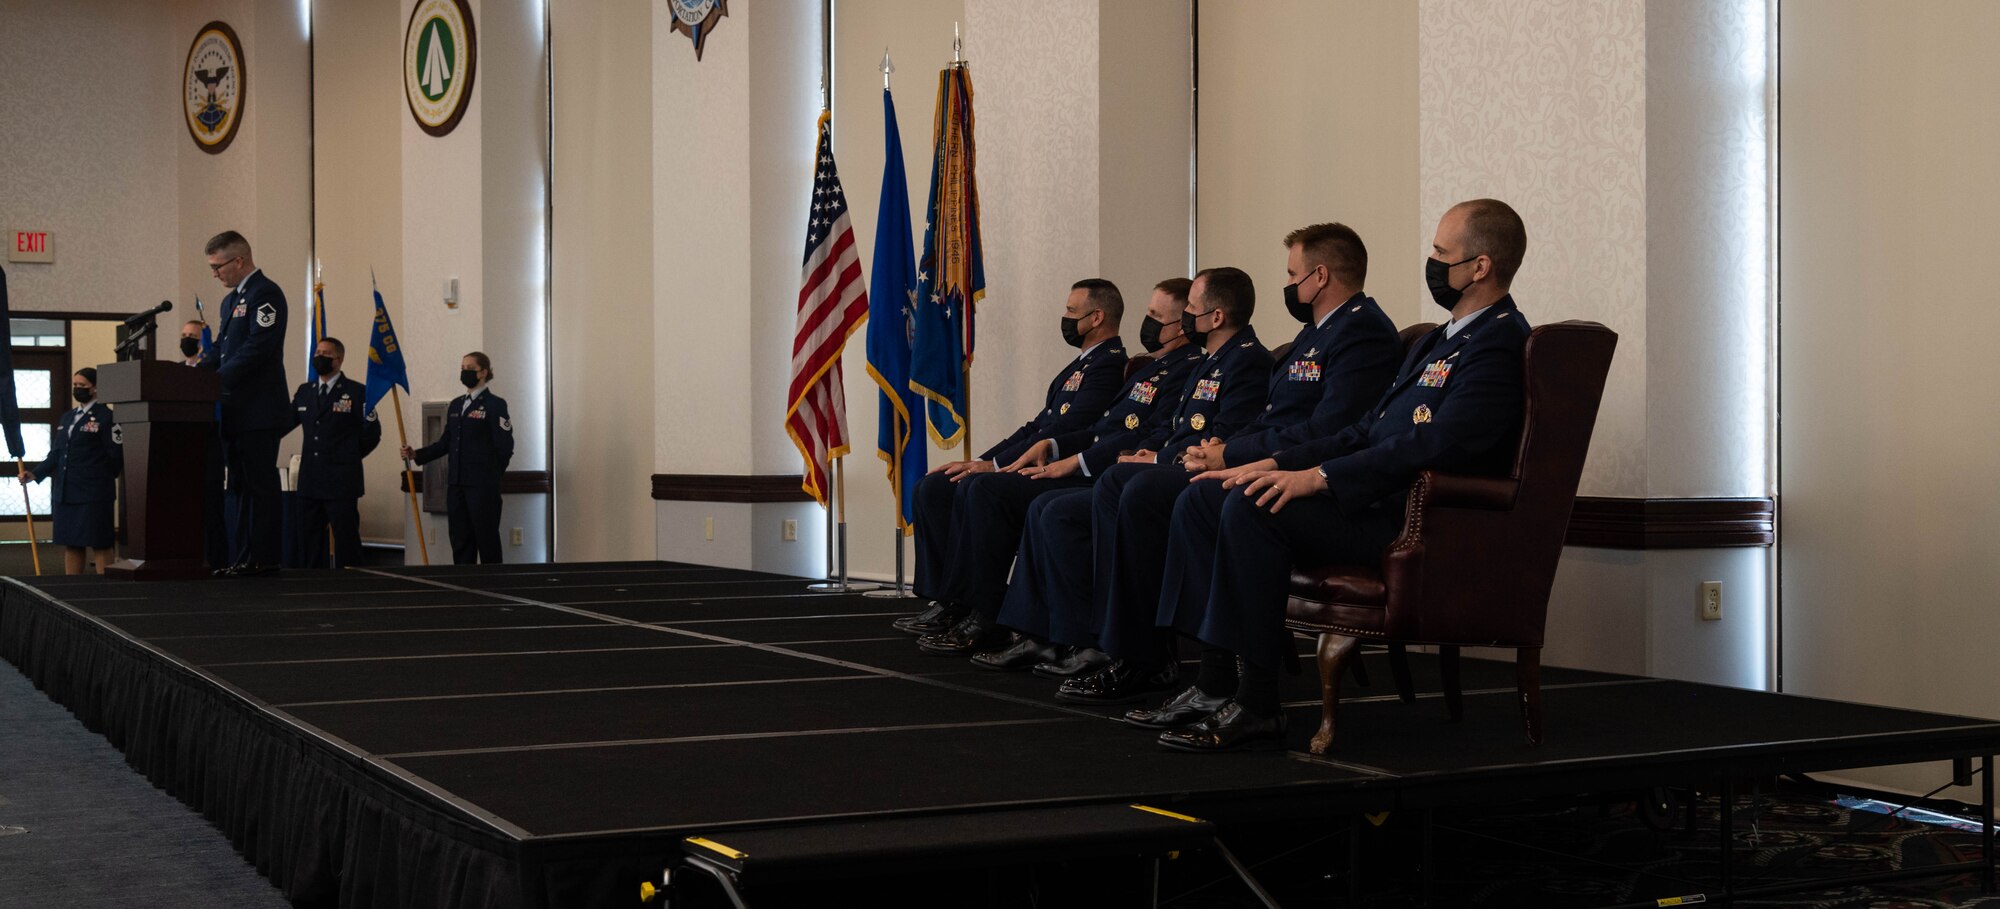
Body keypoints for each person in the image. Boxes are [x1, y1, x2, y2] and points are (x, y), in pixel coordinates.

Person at [1148, 199, 1535, 752]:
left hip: (1407, 515)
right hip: (1367, 496)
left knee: (1253, 507)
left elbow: (1440, 443)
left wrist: (1320, 478)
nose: (1431, 262)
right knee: (1210, 496)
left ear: (1480, 266)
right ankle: (1212, 686)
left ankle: (1257, 703)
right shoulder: (1435, 340)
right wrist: (1267, 463)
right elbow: (1365, 428)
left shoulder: (1500, 341)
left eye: (1441, 254)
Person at [1060, 225, 1404, 703]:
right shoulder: (1315, 333)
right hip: (1268, 461)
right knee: (1129, 484)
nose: (1287, 285)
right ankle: (1139, 652)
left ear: (1319, 276)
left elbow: (1330, 430)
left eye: (1292, 274)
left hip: (1313, 482)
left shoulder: (1361, 331)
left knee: (1156, 492)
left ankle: (1182, 668)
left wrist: (1232, 457)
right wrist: (1219, 448)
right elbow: (1272, 418)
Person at [915, 278, 1206, 659]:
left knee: (997, 493)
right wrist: (1015, 455)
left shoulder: (1176, 368)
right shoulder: (1147, 369)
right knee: (953, 485)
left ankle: (994, 618)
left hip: (1113, 475)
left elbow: (1145, 435)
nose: (1146, 322)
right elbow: (1085, 428)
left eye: (1155, 315)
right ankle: (975, 608)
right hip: (1091, 465)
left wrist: (1070, 459)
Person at [891, 280, 1129, 637]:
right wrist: (982, 460)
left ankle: (984, 610)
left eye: (1070, 311)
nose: (1064, 318)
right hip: (1032, 461)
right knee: (934, 487)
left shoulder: (1109, 365)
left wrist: (997, 467)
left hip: (1061, 470)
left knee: (983, 489)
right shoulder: (1079, 365)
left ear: (1096, 317)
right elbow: (1035, 425)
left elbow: (1067, 428)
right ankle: (948, 600)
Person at [200, 230, 289, 577]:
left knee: (259, 485)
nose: (215, 274)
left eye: (218, 266)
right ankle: (241, 558)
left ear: (239, 261)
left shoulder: (266, 294)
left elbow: (258, 347)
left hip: (260, 410)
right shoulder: (229, 301)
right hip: (235, 411)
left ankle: (263, 558)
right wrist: (193, 375)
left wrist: (217, 378)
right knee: (238, 485)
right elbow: (222, 349)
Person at [403, 352, 514, 564]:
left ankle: (494, 586)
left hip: (482, 485)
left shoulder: (494, 404)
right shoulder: (456, 405)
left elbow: (505, 446)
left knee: (486, 538)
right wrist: (417, 454)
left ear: (483, 372)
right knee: (460, 539)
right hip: (457, 484)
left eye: (469, 368)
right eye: (462, 367)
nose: (464, 372)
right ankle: (464, 584)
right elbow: (446, 442)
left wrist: (491, 476)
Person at [287, 337, 381, 569]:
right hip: (310, 479)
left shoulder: (357, 392)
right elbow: (285, 422)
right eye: (318, 352)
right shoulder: (305, 391)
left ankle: (350, 585)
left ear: (339, 360)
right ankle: (312, 585)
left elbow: (372, 433)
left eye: (326, 354)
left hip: (342, 480)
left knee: (346, 539)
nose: (319, 357)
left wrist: (348, 456)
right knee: (309, 538)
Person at [18, 369, 121, 575]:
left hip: (93, 493)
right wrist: (36, 473)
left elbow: (116, 455)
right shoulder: (68, 417)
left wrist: (100, 479)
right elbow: (56, 453)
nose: (77, 389)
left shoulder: (107, 417)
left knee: (100, 543)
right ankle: (72, 590)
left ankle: (109, 591)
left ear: (95, 388)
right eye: (75, 385)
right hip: (67, 491)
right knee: (72, 543)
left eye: (82, 386)